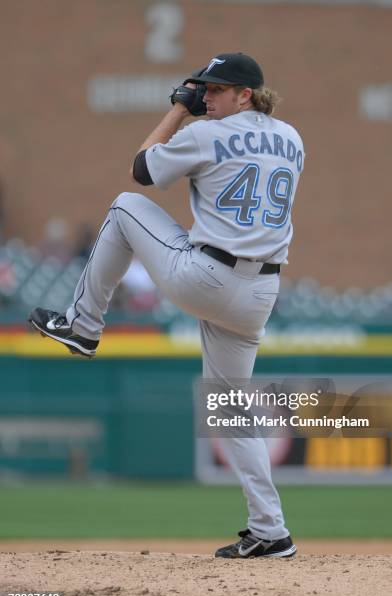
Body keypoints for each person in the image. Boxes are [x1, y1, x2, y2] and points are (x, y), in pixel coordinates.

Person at [28, 52, 304, 558]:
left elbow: (141, 170)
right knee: (229, 408)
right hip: (260, 292)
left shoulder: (205, 133)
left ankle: (83, 325)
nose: (207, 97)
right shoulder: (291, 137)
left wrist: (178, 110)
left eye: (216, 90)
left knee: (124, 206)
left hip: (207, 276)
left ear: (246, 93)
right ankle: (271, 531)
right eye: (203, 89)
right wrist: (203, 113)